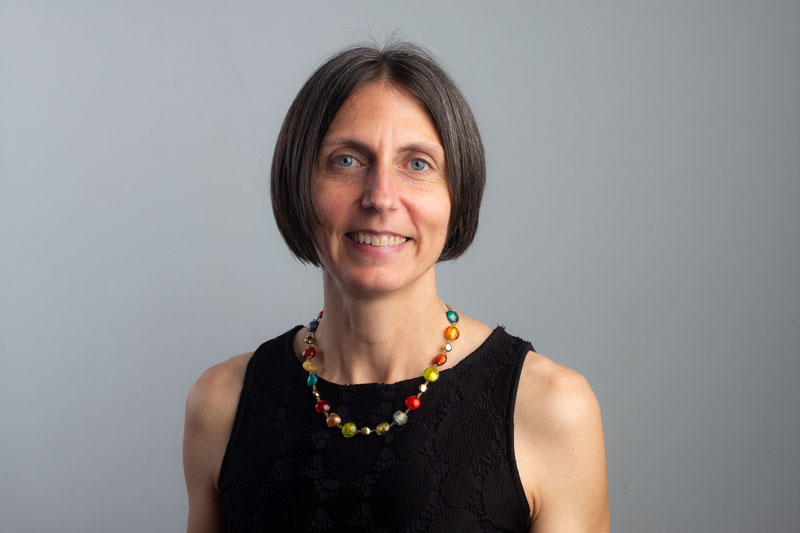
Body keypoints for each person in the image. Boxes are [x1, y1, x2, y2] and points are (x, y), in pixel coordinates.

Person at [183, 41, 609, 532]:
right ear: (299, 183)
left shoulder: (552, 409)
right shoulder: (221, 404)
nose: (381, 197)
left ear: (457, 193)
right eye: (346, 161)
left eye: (418, 164)